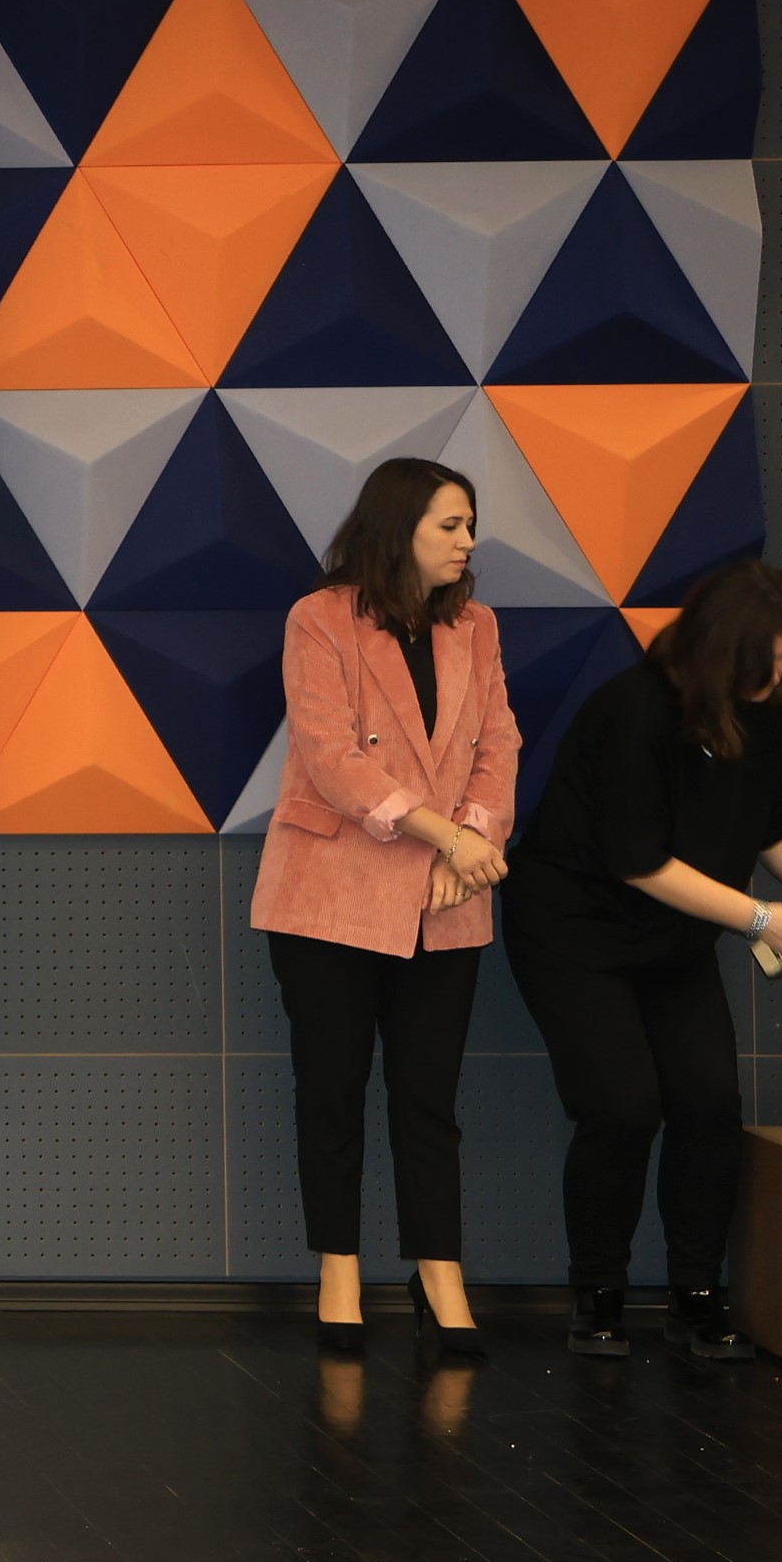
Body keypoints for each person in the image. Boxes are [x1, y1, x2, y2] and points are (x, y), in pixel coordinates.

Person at [502, 559, 782, 1357]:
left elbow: (776, 818)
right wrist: (763, 920)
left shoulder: (766, 713)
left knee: (708, 1102)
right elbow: (638, 860)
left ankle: (698, 1295)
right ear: (721, 655)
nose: (781, 675)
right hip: (576, 930)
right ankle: (599, 1295)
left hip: (673, 937)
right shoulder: (634, 710)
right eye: (768, 662)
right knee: (623, 1105)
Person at [249, 458, 517, 1358]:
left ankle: (439, 1272)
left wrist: (469, 843)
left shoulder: (477, 627)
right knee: (332, 1090)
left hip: (447, 898)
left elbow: (499, 745)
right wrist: (448, 838)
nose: (468, 541)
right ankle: (339, 1270)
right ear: (400, 526)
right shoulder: (319, 618)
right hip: (330, 897)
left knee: (428, 1097)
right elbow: (332, 757)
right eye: (450, 524)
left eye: (470, 524)